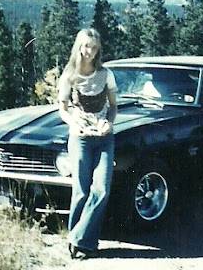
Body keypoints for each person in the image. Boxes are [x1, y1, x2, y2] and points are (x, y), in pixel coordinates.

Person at [58, 28, 117, 260]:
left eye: (94, 47)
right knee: (81, 191)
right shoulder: (69, 76)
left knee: (101, 189)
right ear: (79, 46)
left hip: (103, 138)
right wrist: (74, 123)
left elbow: (113, 106)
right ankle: (84, 243)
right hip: (80, 137)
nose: (90, 52)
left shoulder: (106, 74)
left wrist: (109, 124)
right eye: (86, 46)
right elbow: (62, 108)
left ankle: (77, 237)